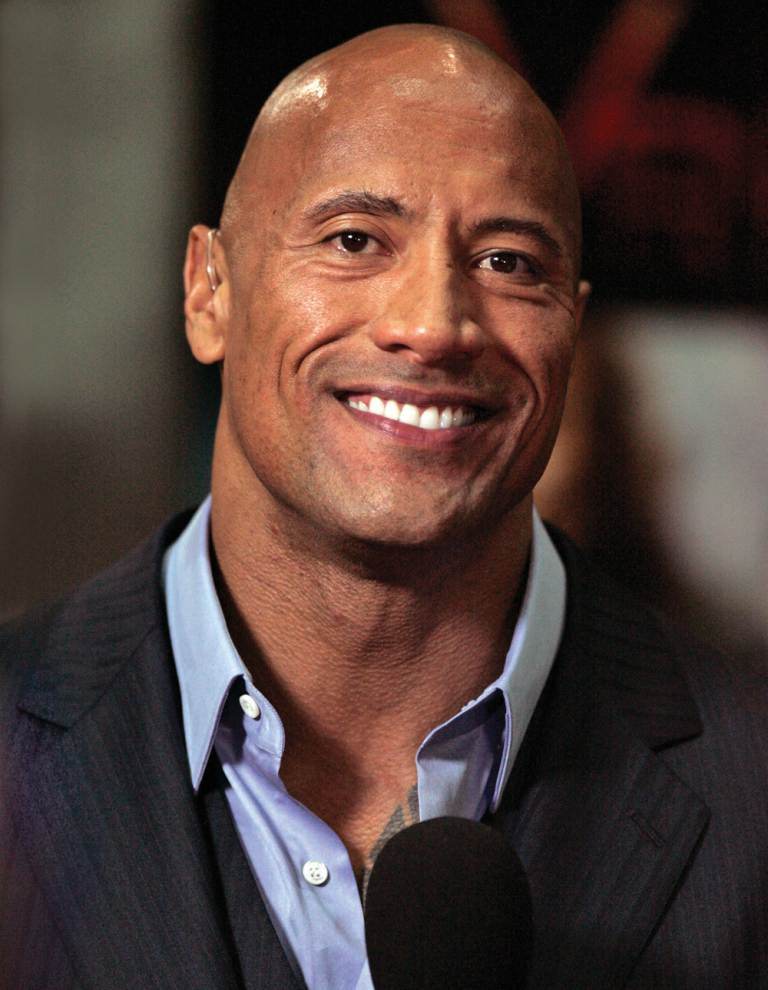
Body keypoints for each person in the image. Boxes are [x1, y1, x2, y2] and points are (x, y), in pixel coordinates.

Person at [1, 23, 767, 990]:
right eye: (355, 240)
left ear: (572, 329)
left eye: (508, 262)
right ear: (209, 292)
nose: (432, 326)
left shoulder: (752, 782)